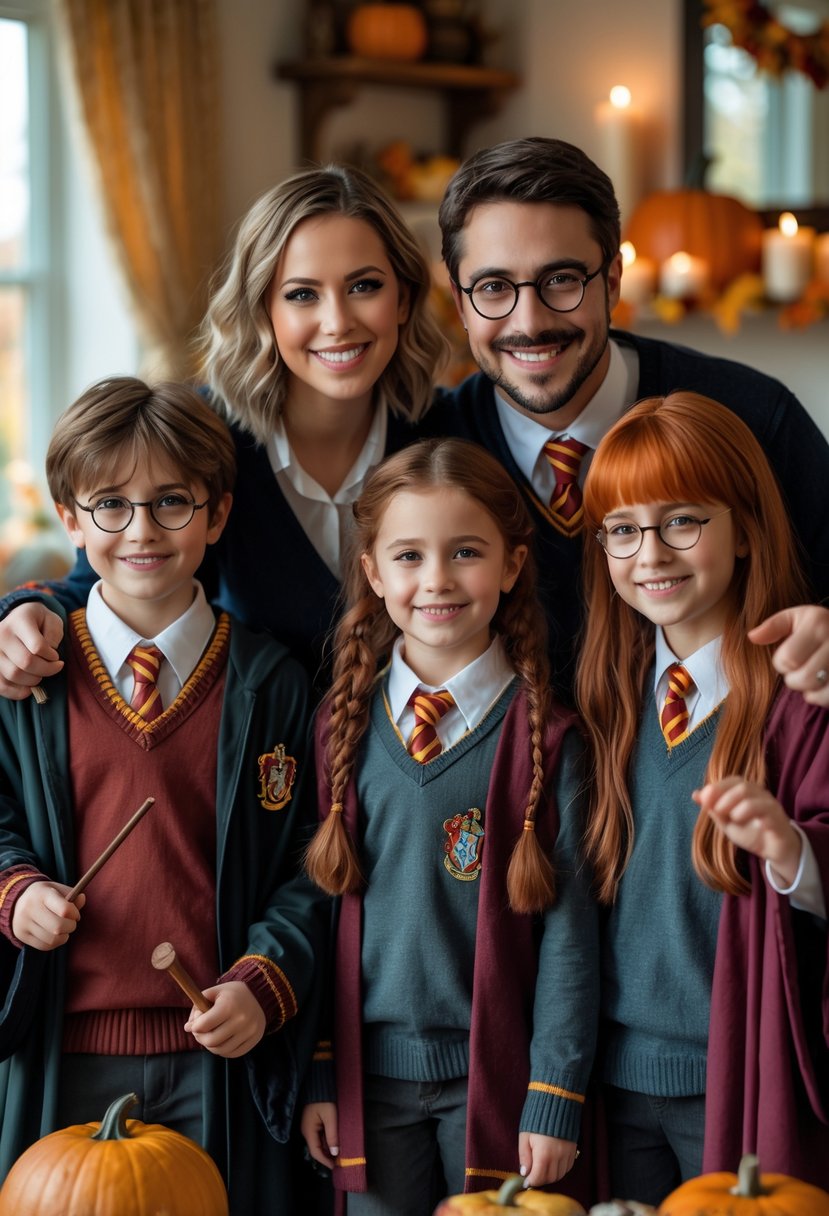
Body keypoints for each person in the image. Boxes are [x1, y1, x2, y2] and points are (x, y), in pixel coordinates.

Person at [0, 378, 328, 1214]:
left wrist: (264, 981)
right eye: (110, 504)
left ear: (217, 516)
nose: (141, 530)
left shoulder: (273, 683)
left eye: (171, 503)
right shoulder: (29, 677)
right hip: (58, 1052)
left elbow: (314, 863)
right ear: (70, 520)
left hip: (215, 1056)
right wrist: (17, 891)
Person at [0, 163, 447, 695]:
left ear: (402, 298)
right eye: (302, 294)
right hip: (242, 763)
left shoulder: (447, 435)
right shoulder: (196, 436)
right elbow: (98, 579)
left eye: (364, 286)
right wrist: (22, 611)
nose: (337, 321)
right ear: (263, 310)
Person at [299, 438, 598, 1215]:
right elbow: (317, 914)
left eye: (464, 552)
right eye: (408, 556)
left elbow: (569, 936)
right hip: (367, 1083)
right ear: (372, 572)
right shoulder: (340, 727)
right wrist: (319, 1076)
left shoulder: (548, 739)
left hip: (495, 1083)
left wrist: (553, 1092)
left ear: (510, 565)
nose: (435, 580)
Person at [421, 136, 829, 702]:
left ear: (612, 279)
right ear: (460, 301)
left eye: (562, 280)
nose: (530, 321)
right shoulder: (429, 448)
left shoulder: (752, 418)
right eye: (493, 288)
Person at [575, 391, 828, 1205]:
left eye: (682, 519)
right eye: (622, 529)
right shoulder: (604, 704)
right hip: (611, 1078)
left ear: (746, 531)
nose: (650, 552)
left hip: (740, 1074)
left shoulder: (797, 703)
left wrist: (790, 849)